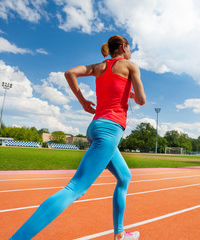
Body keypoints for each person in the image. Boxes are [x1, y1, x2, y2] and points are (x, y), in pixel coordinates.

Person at [10, 35, 146, 240]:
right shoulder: (130, 66)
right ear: (124, 47)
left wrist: (83, 101)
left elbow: (70, 73)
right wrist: (133, 95)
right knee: (74, 189)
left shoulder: (99, 67)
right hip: (110, 130)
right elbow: (142, 100)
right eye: (130, 48)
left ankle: (120, 235)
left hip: (95, 127)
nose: (130, 52)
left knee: (124, 177)